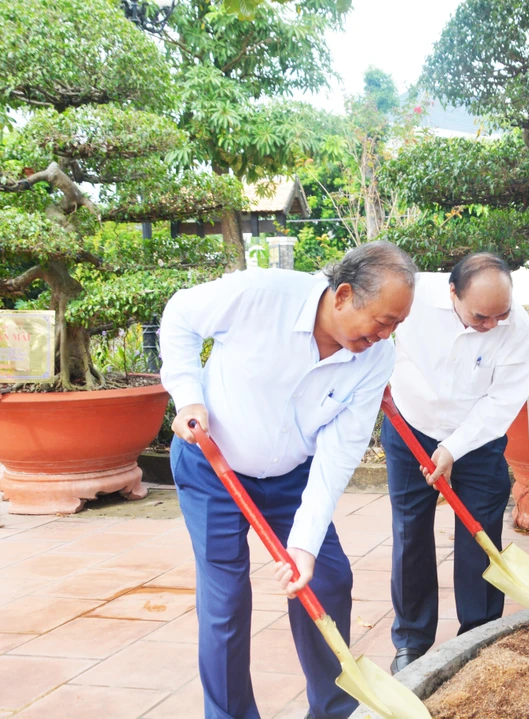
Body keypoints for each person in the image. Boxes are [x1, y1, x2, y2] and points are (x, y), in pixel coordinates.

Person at [159, 241, 417, 719]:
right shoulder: (262, 294)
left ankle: (332, 712)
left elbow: (340, 452)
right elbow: (180, 316)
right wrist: (188, 395)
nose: (386, 335)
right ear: (344, 295)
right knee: (226, 601)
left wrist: (304, 543)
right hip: (213, 466)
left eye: (396, 325)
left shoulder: (376, 357)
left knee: (327, 580)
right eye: (382, 321)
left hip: (292, 474)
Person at [381, 253, 529, 674]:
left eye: (500, 315)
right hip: (410, 425)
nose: (492, 324)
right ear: (453, 293)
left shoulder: (517, 327)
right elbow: (373, 335)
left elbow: (503, 399)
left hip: (478, 438)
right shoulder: (411, 297)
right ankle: (411, 641)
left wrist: (454, 448)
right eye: (480, 316)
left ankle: (478, 634)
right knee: (410, 532)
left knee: (480, 533)